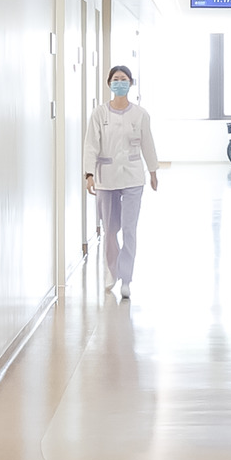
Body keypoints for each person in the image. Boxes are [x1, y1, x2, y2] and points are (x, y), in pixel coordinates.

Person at [83, 64, 160, 296]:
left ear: (130, 83)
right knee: (110, 229)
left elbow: (148, 143)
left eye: (124, 79)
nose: (119, 83)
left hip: (133, 176)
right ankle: (112, 270)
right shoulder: (99, 114)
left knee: (129, 229)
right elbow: (90, 145)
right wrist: (88, 174)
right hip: (106, 177)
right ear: (109, 83)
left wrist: (153, 171)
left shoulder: (140, 114)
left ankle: (126, 278)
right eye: (115, 79)